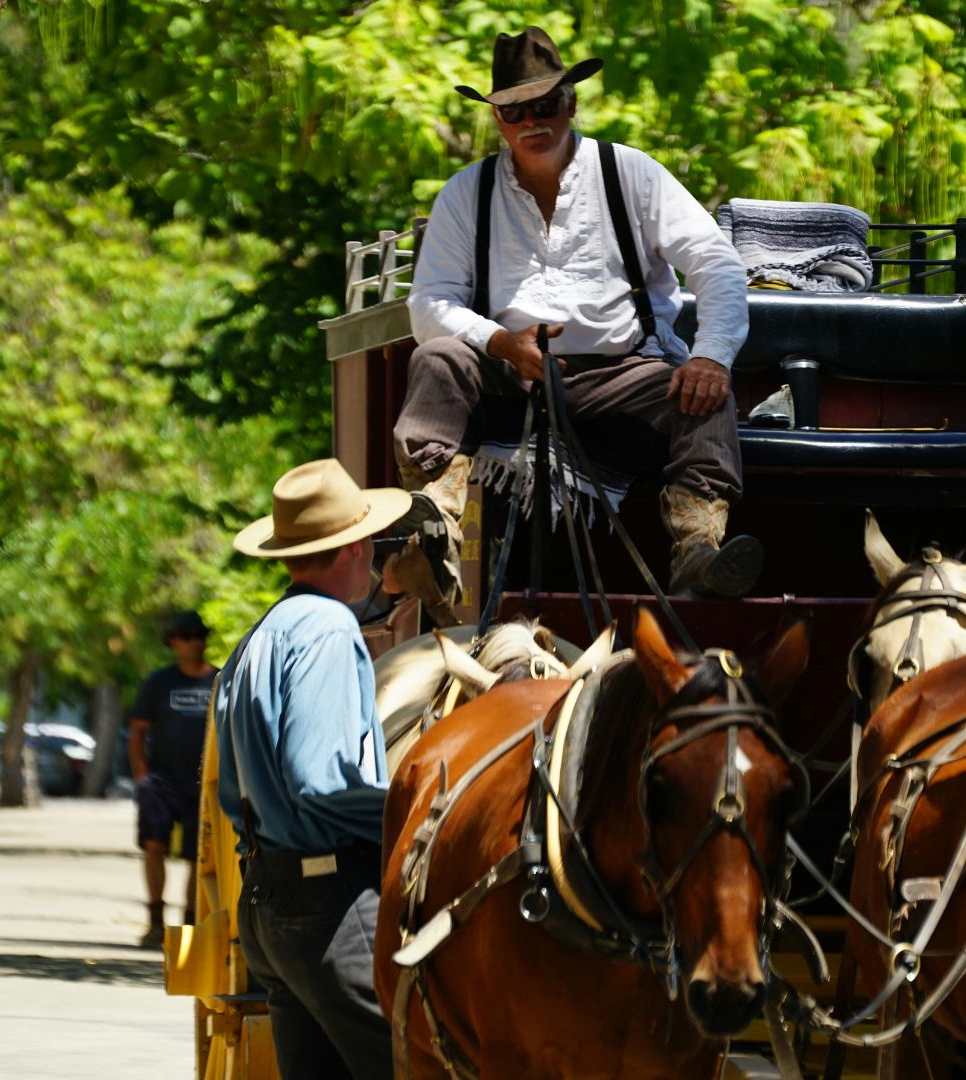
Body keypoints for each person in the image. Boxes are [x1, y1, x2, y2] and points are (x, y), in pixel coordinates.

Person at [399, 25, 760, 602]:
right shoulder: (466, 193)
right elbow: (429, 304)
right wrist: (501, 343)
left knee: (703, 393)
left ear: (571, 103)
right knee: (437, 357)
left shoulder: (631, 173)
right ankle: (431, 534)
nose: (532, 122)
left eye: (546, 105)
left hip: (622, 375)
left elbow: (717, 264)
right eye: (515, 112)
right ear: (497, 120)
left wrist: (712, 356)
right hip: (508, 377)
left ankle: (697, 553)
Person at [214, 457, 403, 1079]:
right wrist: (420, 804)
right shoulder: (327, 627)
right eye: (371, 535)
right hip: (331, 905)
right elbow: (320, 781)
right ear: (353, 544)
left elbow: (231, 790)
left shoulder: (258, 637)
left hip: (269, 904)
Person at [130, 610, 217, 950]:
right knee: (154, 846)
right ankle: (154, 922)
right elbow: (137, 731)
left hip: (203, 782)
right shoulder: (158, 683)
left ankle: (192, 923)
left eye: (199, 634)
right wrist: (142, 776)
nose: (194, 641)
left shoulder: (219, 680)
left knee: (200, 854)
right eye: (186, 634)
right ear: (173, 641)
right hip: (162, 780)